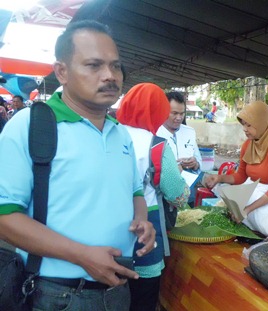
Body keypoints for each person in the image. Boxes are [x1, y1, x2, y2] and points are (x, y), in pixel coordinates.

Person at [0, 20, 155, 310]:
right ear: (62, 72)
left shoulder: (119, 131)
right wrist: (81, 255)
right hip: (55, 295)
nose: (110, 76)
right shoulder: (31, 126)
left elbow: (135, 191)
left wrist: (142, 221)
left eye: (115, 66)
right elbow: (5, 217)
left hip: (117, 290)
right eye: (94, 65)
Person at [116, 83, 190, 311]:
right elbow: (176, 194)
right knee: (143, 296)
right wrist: (183, 191)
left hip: (108, 224)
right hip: (145, 225)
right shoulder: (156, 145)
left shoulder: (108, 132)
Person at [205, 101, 268, 239]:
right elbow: (240, 176)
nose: (244, 129)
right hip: (253, 204)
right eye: (243, 124)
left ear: (262, 124)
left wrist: (247, 210)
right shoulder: (248, 145)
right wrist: (219, 178)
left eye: (249, 125)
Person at [157, 91, 202, 207]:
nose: (179, 118)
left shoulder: (189, 132)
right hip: (165, 197)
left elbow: (200, 162)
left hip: (188, 192)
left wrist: (195, 164)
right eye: (174, 113)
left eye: (182, 114)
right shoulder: (155, 133)